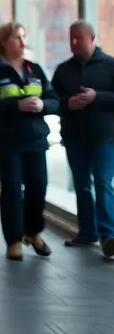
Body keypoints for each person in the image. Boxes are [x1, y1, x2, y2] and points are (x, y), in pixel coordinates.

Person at [0, 22, 58, 260]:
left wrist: (43, 105)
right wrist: (17, 105)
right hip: (7, 140)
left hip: (35, 139)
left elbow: (54, 98)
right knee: (12, 189)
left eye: (24, 38)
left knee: (38, 187)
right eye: (17, 38)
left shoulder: (35, 69)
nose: (23, 44)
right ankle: (13, 240)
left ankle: (32, 233)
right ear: (4, 43)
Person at [52, 21, 114, 257]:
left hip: (105, 137)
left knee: (103, 183)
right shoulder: (63, 70)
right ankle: (87, 232)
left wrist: (96, 97)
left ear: (92, 38)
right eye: (71, 38)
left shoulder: (110, 66)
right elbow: (52, 99)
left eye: (78, 38)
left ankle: (108, 235)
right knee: (82, 185)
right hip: (74, 136)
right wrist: (68, 103)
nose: (74, 43)